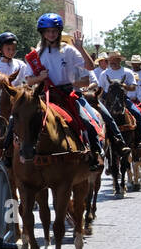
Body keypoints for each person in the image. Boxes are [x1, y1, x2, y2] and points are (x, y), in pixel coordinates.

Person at [22, 14, 102, 168]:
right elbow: (28, 80)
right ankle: (13, 155)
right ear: (42, 33)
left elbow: (90, 67)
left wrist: (80, 47)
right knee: (19, 120)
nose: (51, 34)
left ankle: (94, 155)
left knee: (88, 121)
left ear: (59, 32)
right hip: (44, 96)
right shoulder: (36, 54)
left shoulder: (69, 50)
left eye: (54, 31)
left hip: (67, 96)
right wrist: (39, 78)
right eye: (48, 31)